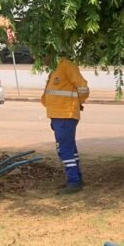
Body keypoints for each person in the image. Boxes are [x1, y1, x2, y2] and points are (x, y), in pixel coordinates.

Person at [41, 54, 89, 195]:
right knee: (70, 148)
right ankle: (76, 179)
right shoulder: (55, 68)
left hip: (65, 115)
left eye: (42, 54)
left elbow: (83, 88)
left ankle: (73, 182)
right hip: (59, 115)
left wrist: (78, 102)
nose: (40, 59)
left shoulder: (66, 65)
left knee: (64, 149)